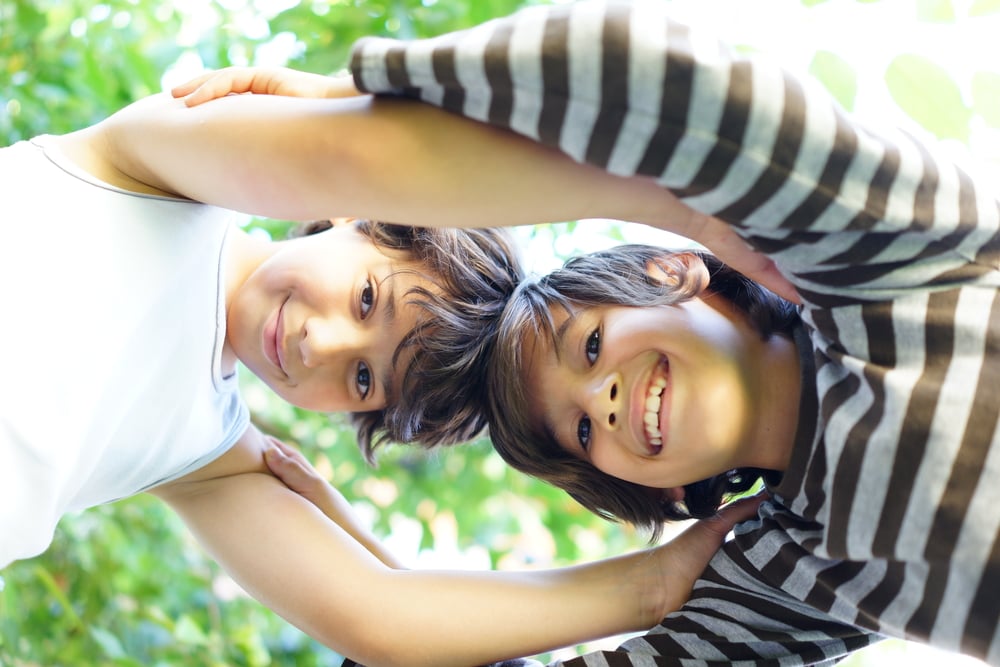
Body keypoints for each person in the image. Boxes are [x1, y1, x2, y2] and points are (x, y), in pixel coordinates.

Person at [174, 0, 999, 664]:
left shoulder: (878, 269)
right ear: (655, 492)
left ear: (674, 270)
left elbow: (657, 81)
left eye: (591, 345)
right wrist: (371, 574)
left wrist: (362, 102)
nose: (598, 399)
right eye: (576, 428)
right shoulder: (793, 571)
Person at [0, 83, 764, 667]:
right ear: (356, 212)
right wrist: (681, 208)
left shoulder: (210, 456)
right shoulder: (153, 173)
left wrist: (652, 586)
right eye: (369, 298)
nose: (317, 342)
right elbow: (351, 152)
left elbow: (385, 617)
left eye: (363, 381)